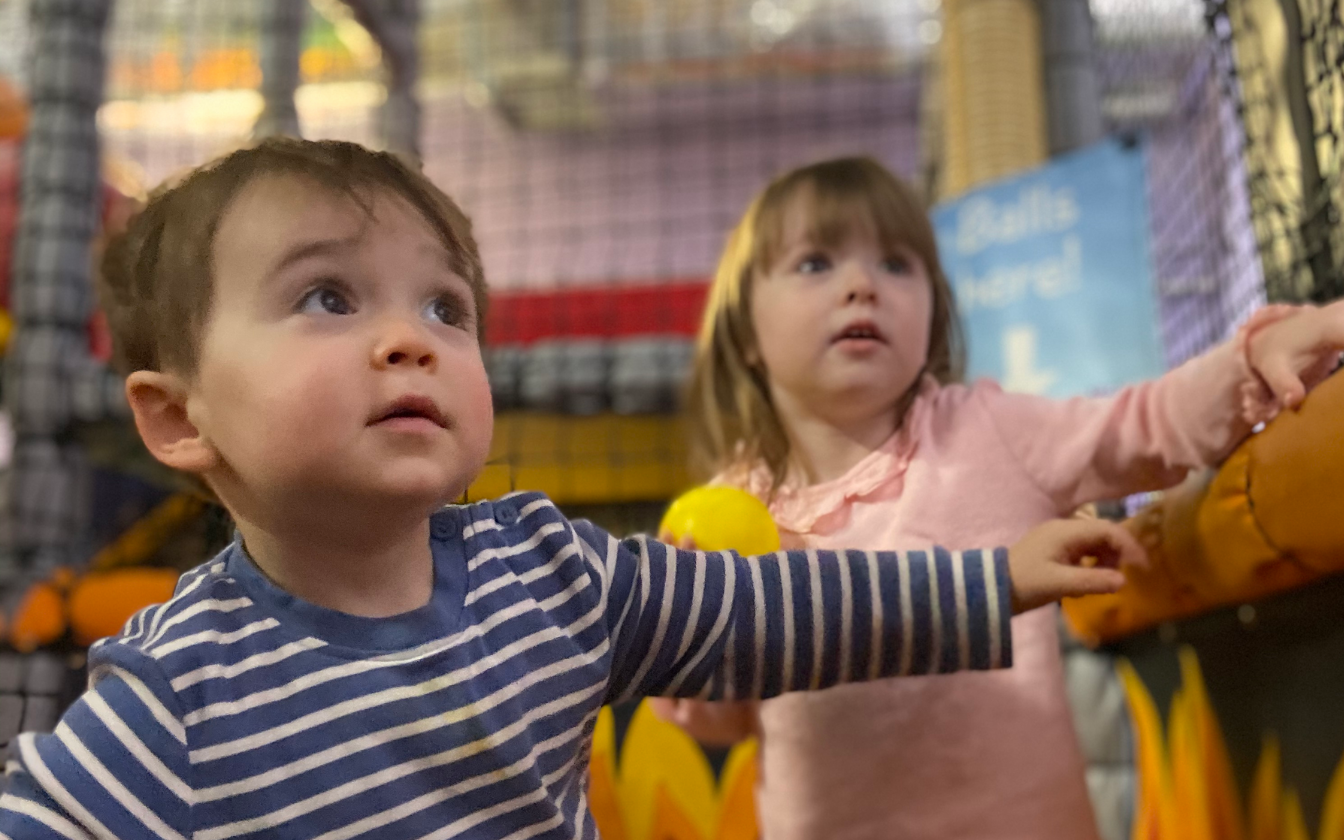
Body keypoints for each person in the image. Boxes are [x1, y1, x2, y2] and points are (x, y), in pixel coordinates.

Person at [0, 139, 1141, 840]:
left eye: (446, 308)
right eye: (329, 300)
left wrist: (990, 581)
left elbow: (780, 610)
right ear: (178, 416)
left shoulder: (548, 573)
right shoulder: (179, 698)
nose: (410, 340)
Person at [653, 156, 1344, 840]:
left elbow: (1146, 422)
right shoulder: (729, 517)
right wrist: (686, 679)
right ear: (745, 331)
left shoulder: (985, 433)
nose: (862, 284)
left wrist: (1250, 360)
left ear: (933, 310)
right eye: (815, 263)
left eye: (896, 264)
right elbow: (739, 714)